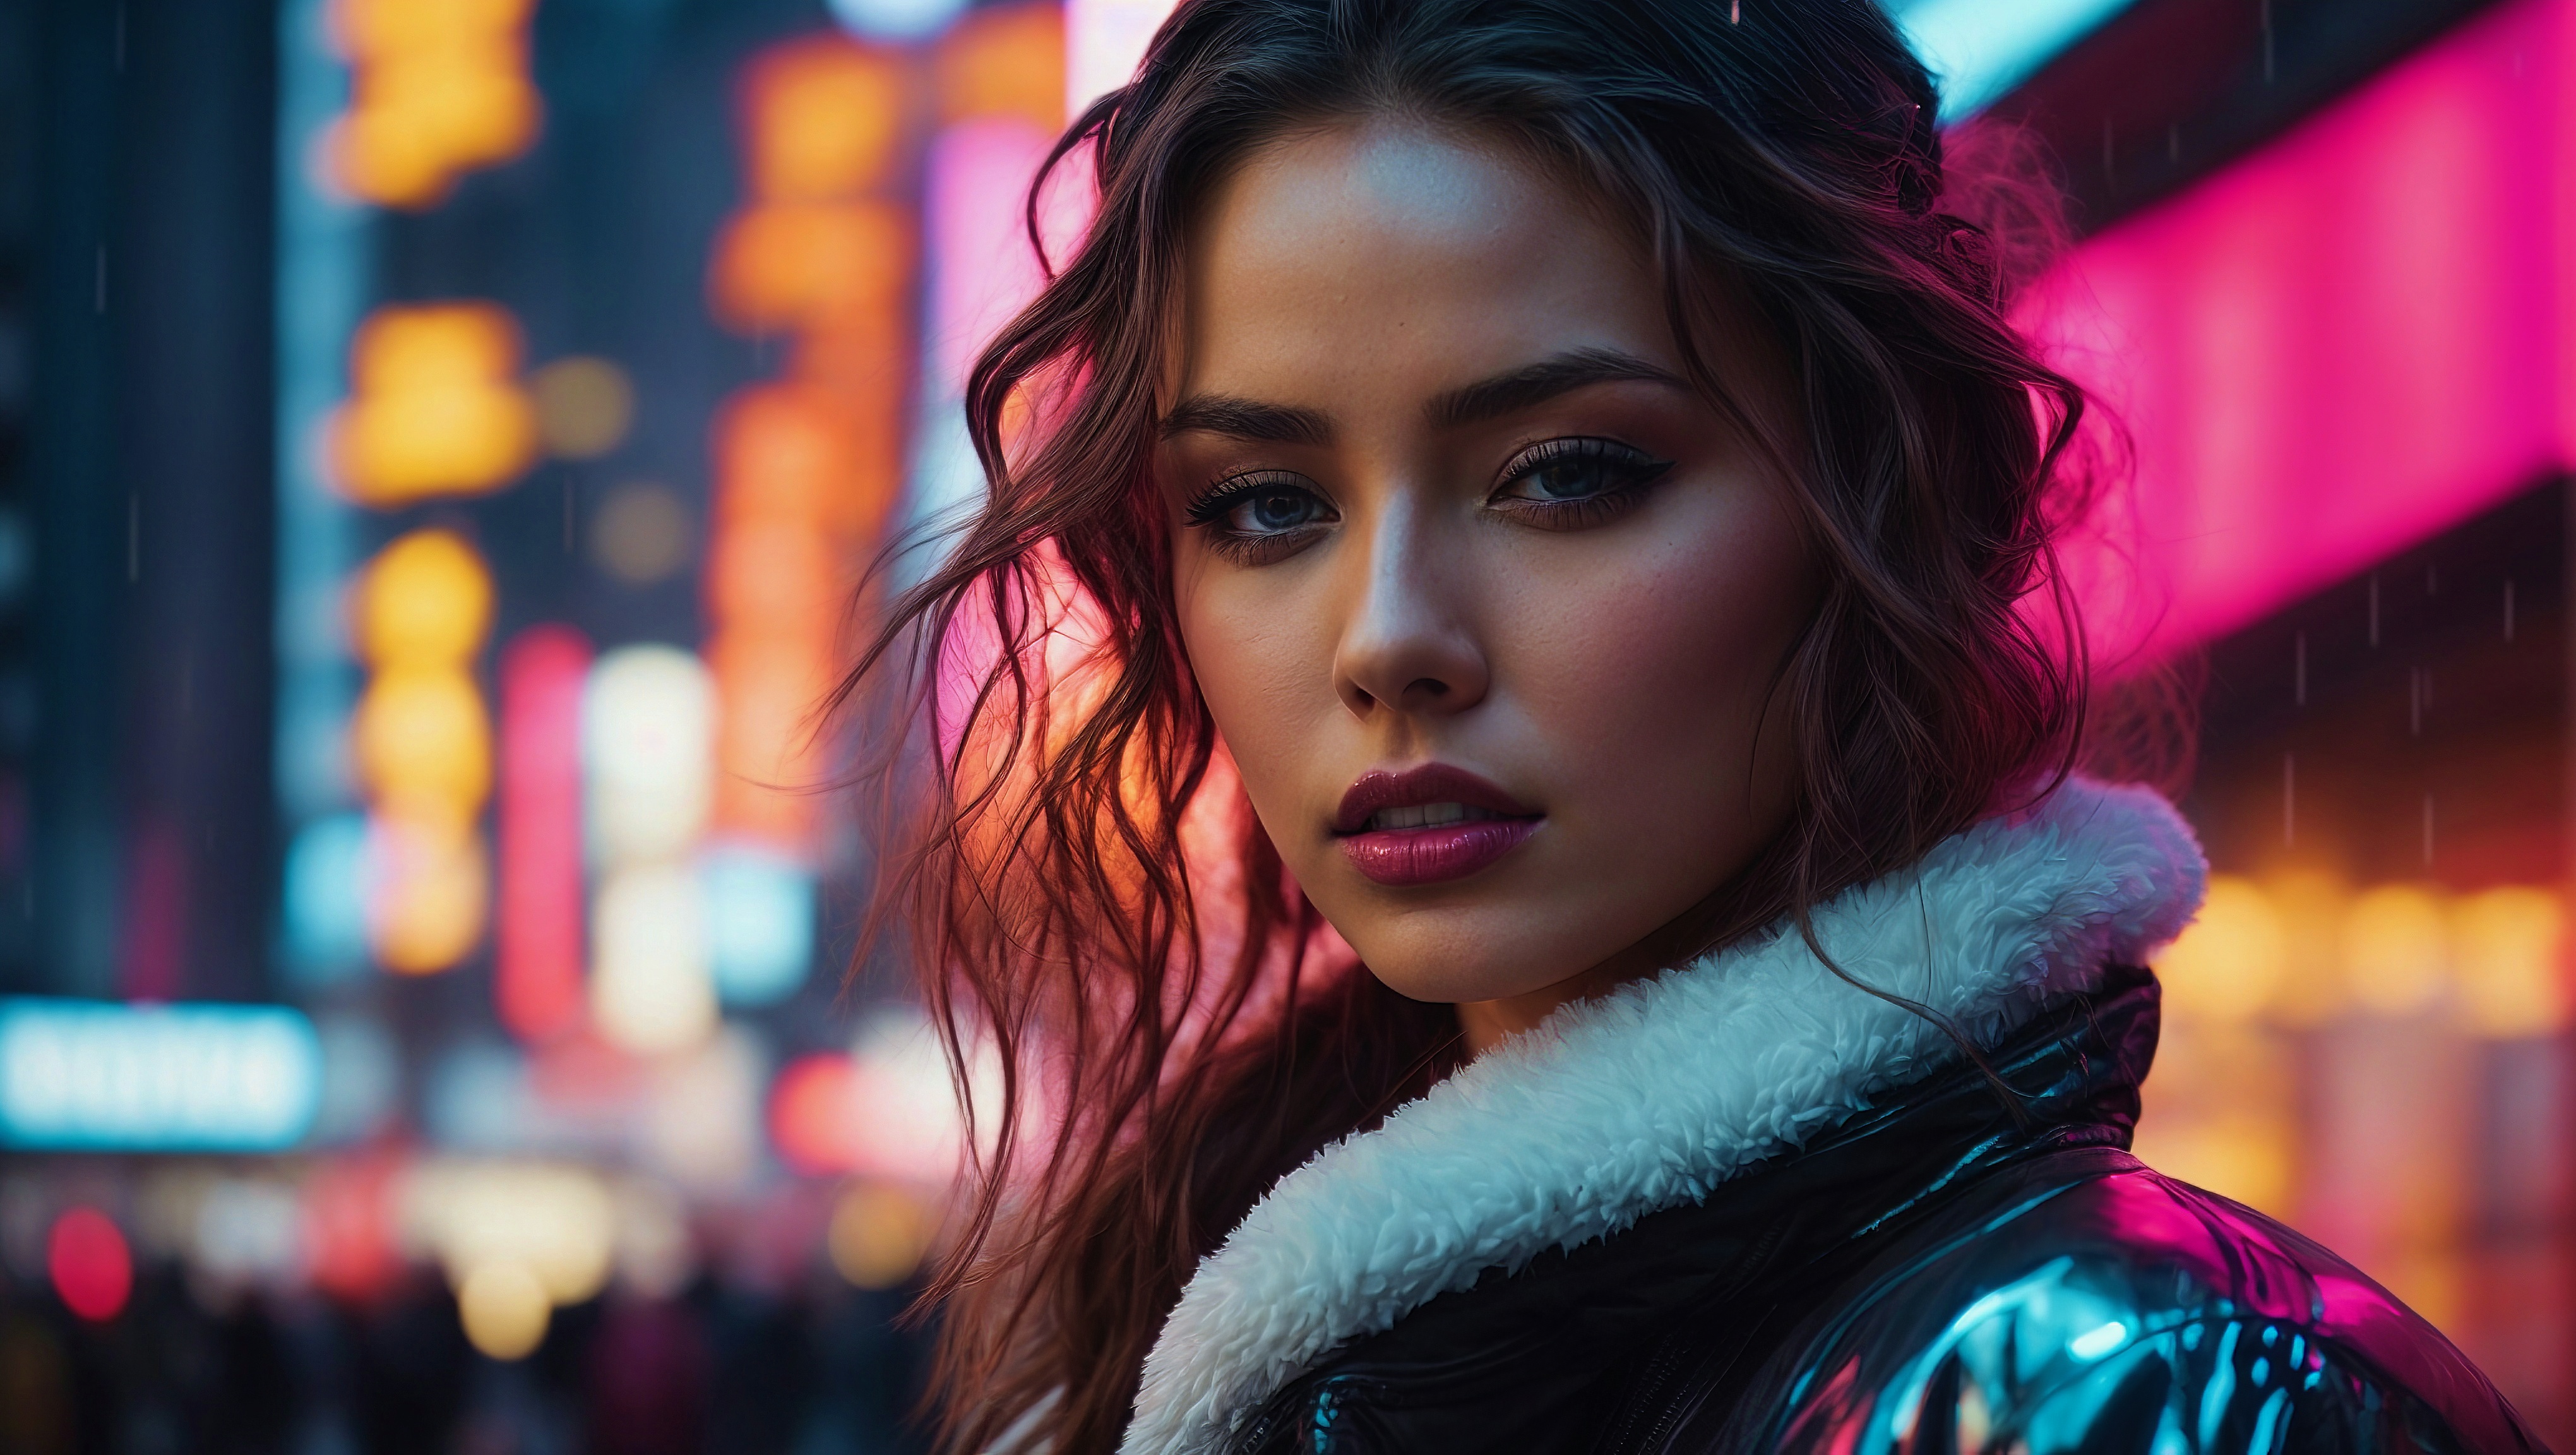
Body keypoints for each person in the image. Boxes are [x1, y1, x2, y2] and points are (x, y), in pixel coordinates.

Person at [840, 0, 2543, 1449]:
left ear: (1890, 496)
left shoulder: (2122, 1391)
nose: (1389, 642)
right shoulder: (1204, 1287)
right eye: (1268, 504)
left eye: (1569, 474)